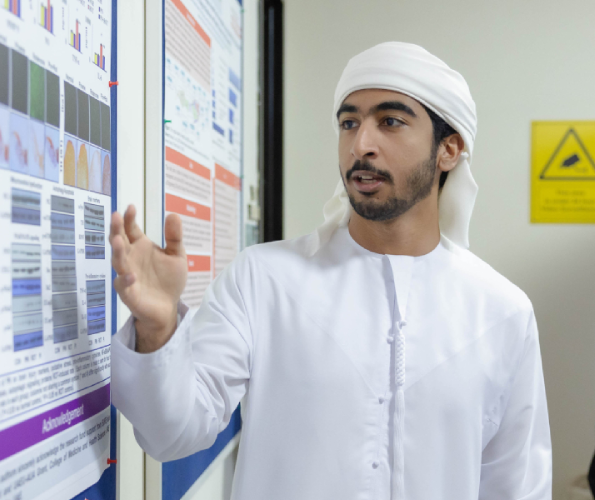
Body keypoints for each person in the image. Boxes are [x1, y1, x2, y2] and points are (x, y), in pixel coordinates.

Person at [110, 42, 552, 499]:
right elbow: (171, 434)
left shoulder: (503, 312)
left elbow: (517, 486)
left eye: (390, 121)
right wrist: (158, 330)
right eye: (349, 123)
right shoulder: (263, 279)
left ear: (449, 150)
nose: (361, 145)